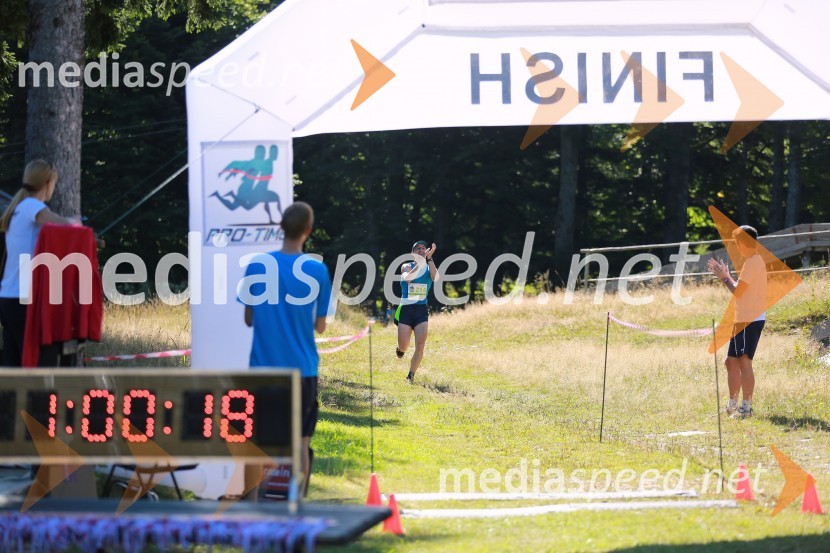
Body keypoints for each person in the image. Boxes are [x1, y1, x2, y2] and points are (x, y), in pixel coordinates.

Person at [241, 201, 331, 494]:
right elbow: (320, 326)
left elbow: (248, 317)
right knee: (301, 443)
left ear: (281, 228)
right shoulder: (317, 269)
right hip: (302, 369)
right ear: (308, 230)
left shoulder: (257, 264)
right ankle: (296, 507)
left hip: (263, 369)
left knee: (255, 443)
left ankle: (252, 506)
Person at [0, 160, 78, 367]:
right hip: (23, 299)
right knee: (37, 365)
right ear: (48, 182)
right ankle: (39, 400)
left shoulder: (17, 207)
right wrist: (76, 222)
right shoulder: (32, 206)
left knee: (13, 365)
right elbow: (60, 222)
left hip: (8, 297)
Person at [708, 225, 767, 419]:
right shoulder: (752, 262)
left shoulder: (753, 262)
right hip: (742, 318)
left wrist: (725, 279)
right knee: (730, 362)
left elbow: (737, 291)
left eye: (738, 243)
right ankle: (733, 404)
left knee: (744, 362)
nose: (736, 247)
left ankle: (746, 408)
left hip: (749, 319)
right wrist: (728, 278)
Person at [394, 240, 438, 382]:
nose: (421, 250)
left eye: (423, 248)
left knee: (420, 344)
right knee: (404, 345)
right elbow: (408, 279)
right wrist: (419, 263)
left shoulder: (429, 266)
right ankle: (400, 350)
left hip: (421, 310)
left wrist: (429, 259)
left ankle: (411, 375)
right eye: (417, 248)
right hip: (406, 309)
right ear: (412, 253)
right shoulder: (406, 266)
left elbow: (435, 278)